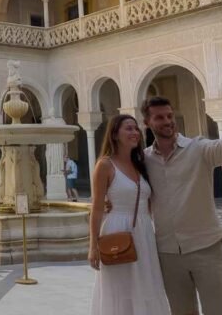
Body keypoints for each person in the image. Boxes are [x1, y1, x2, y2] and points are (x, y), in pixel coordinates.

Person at [143, 93, 222, 315]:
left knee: (218, 311)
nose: (168, 121)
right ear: (147, 122)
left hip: (206, 248)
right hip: (168, 253)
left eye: (170, 115)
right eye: (159, 117)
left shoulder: (197, 149)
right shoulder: (144, 159)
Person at [89, 114, 171, 315]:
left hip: (143, 232)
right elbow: (97, 207)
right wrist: (93, 245)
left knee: (145, 284)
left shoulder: (141, 164)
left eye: (136, 129)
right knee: (120, 288)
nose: (135, 133)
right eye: (128, 128)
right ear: (115, 134)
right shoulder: (105, 165)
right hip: (117, 229)